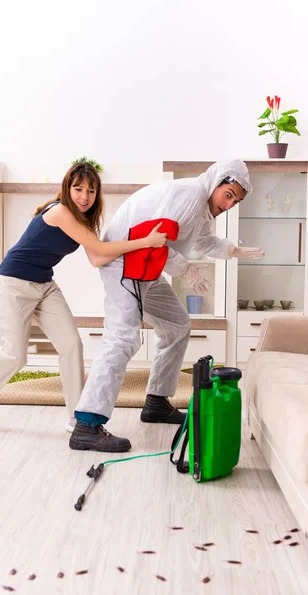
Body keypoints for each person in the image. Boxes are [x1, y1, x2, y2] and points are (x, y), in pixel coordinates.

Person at [69, 159, 264, 453]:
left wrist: (233, 250)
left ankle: (156, 403)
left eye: (236, 201)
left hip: (146, 266)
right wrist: (186, 270)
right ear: (216, 182)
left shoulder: (201, 206)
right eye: (229, 195)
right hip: (125, 263)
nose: (229, 204)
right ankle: (86, 424)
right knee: (123, 337)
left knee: (177, 324)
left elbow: (204, 240)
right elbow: (156, 239)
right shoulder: (189, 195)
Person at [0, 162, 168, 434]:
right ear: (67, 188)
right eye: (78, 189)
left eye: (91, 191)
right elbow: (100, 248)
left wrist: (138, 243)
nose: (84, 196)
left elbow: (96, 258)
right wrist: (145, 242)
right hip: (14, 283)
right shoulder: (59, 211)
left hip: (44, 284)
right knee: (14, 356)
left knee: (71, 345)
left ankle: (75, 417)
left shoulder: (83, 220)